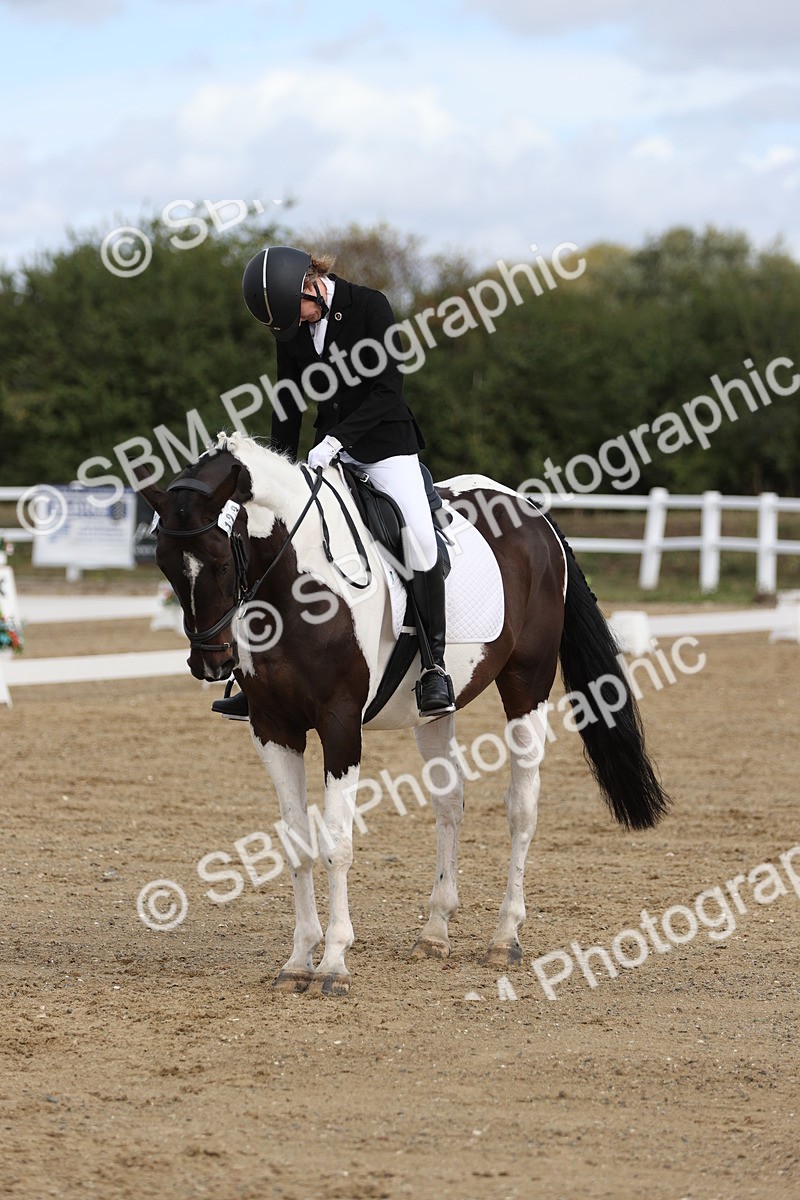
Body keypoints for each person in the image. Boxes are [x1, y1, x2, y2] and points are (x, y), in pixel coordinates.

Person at [212, 245, 455, 721]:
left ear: (311, 284)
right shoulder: (292, 325)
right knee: (281, 540)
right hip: (328, 453)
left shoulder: (370, 307)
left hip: (387, 447)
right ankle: (259, 669)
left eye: (297, 315)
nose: (295, 327)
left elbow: (389, 391)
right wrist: (276, 469)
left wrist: (337, 440)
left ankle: (434, 668)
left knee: (420, 542)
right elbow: (287, 406)